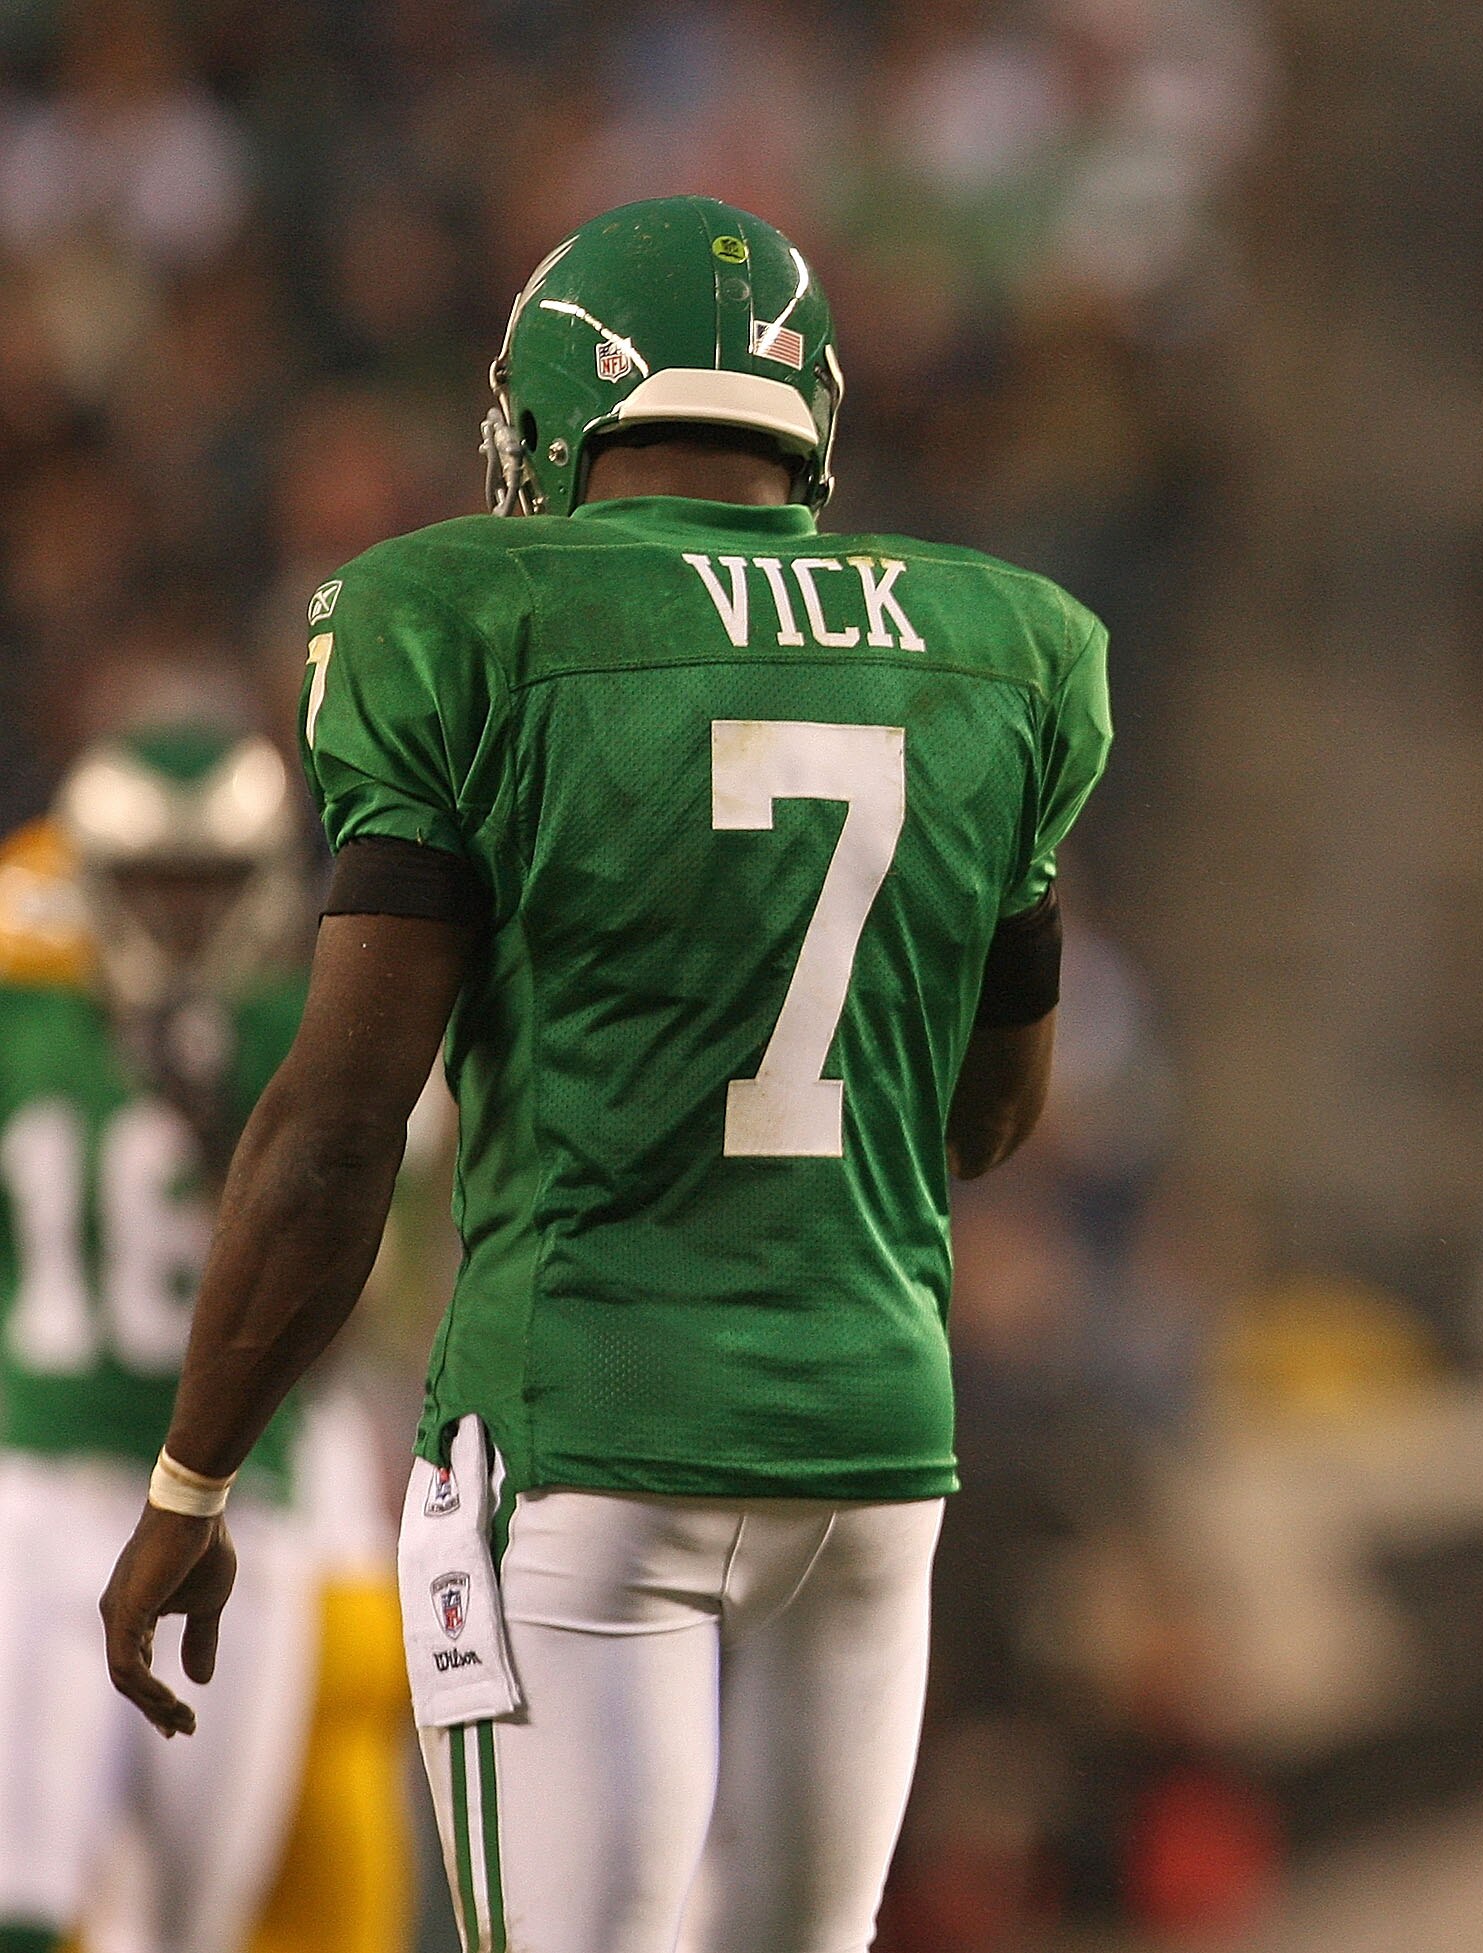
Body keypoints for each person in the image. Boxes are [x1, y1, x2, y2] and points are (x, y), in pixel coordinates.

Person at [101, 195, 1112, 1953]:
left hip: (582, 1438)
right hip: (874, 1447)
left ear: (565, 410)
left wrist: (192, 1480)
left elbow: (337, 1127)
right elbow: (995, 1116)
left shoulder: (463, 611)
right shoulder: (1011, 642)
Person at [0, 726, 323, 1953]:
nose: (184, 914)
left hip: (248, 1514)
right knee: (19, 1892)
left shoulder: (314, 1025)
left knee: (200, 1925)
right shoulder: (22, 1011)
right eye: (154, 881)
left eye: (211, 881)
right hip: (44, 1483)